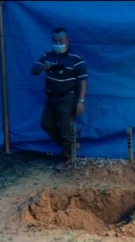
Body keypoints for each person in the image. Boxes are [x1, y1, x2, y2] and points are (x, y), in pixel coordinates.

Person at [30, 27, 88, 169]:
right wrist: (43, 67)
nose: (58, 43)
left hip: (68, 98)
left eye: (61, 40)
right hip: (51, 98)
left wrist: (81, 101)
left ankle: (68, 157)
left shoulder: (76, 59)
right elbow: (33, 71)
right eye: (55, 41)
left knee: (66, 129)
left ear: (67, 40)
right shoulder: (47, 55)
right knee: (46, 124)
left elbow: (83, 81)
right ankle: (71, 146)